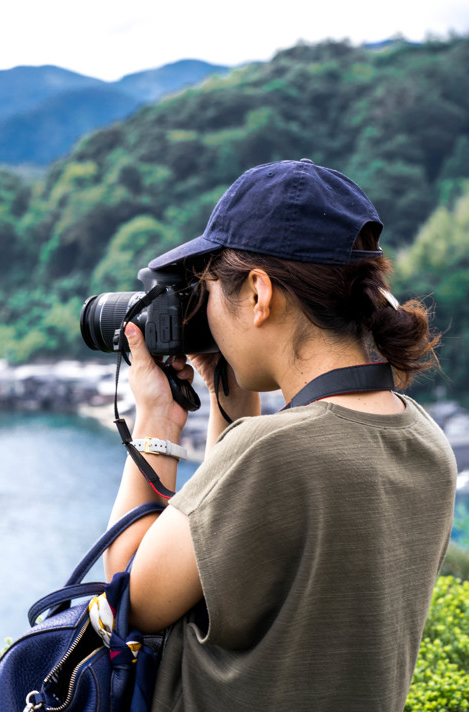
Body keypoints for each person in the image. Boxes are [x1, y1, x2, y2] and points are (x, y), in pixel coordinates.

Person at [103, 158, 457, 712]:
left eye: (211, 289)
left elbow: (129, 596)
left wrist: (155, 422)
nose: (207, 311)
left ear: (259, 293)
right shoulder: (424, 440)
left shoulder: (270, 454)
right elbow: (233, 551)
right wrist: (231, 392)